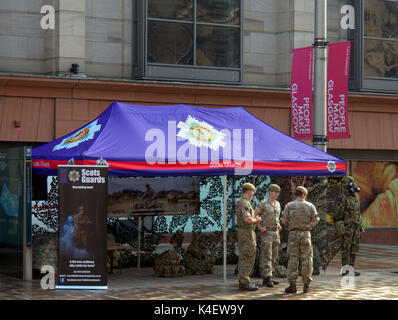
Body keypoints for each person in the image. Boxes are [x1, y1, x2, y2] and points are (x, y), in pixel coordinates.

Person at [281, 186, 319, 294]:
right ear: (304, 194)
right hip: (306, 235)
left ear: (297, 194)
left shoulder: (289, 205)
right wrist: (308, 225)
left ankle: (292, 285)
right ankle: (306, 286)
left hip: (293, 235)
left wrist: (291, 225)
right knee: (307, 260)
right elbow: (316, 220)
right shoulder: (310, 206)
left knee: (293, 259)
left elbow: (283, 221)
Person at [332, 176, 363, 276]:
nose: (353, 185)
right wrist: (341, 230)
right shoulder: (342, 199)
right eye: (351, 183)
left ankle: (351, 269)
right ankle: (345, 270)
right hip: (347, 228)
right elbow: (337, 215)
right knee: (346, 248)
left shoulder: (356, 197)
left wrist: (360, 225)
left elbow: (358, 213)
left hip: (356, 227)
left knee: (354, 248)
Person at [254, 183, 282, 287]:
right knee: (267, 255)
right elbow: (254, 214)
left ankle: (269, 277)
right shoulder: (263, 203)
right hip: (266, 233)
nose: (277, 194)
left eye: (278, 192)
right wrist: (260, 227)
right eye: (275, 192)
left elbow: (276, 217)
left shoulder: (278, 204)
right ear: (270, 192)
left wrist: (278, 224)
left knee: (274, 256)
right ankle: (268, 277)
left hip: (276, 233)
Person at [236, 182, 262, 291]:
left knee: (245, 256)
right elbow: (247, 220)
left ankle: (243, 281)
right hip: (247, 233)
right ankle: (244, 281)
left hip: (245, 232)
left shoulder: (244, 202)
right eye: (253, 191)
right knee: (247, 256)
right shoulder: (244, 203)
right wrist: (257, 220)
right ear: (249, 191)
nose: (253, 194)